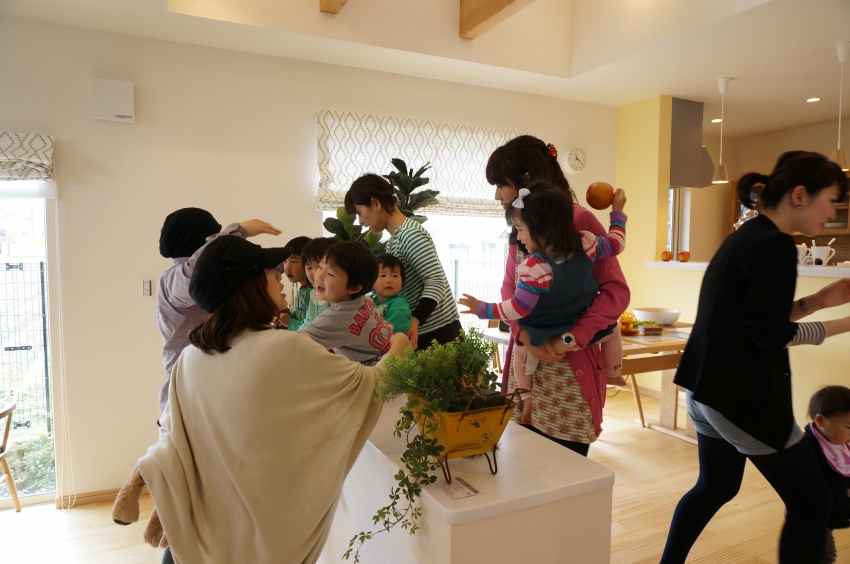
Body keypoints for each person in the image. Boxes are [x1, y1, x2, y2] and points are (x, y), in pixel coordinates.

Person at [141, 235, 408, 564]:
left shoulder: (191, 358)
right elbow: (370, 386)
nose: (281, 276)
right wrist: (398, 343)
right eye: (270, 271)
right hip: (254, 537)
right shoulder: (285, 349)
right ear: (249, 284)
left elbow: (175, 441)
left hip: (199, 532)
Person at [661, 151, 850, 563]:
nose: (831, 212)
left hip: (704, 390)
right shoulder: (775, 245)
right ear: (799, 195)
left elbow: (756, 321)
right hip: (740, 399)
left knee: (716, 486)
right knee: (813, 502)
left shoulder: (749, 236)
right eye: (830, 199)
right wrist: (845, 324)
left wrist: (819, 301)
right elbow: (770, 335)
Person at [485, 135, 630, 455]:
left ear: (526, 179)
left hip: (569, 377)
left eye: (500, 184)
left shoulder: (578, 220)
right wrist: (526, 336)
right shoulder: (521, 223)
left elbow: (615, 292)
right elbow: (510, 287)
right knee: (519, 467)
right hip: (526, 370)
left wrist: (570, 338)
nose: (496, 195)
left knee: (566, 471)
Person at [459, 181, 628, 422]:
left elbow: (518, 307)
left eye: (521, 229)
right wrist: (617, 210)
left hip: (543, 330)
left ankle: (526, 397)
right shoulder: (587, 243)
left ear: (543, 229)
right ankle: (613, 372)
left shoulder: (534, 268)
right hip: (574, 327)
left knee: (520, 354)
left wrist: (483, 309)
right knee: (612, 331)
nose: (518, 237)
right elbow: (617, 243)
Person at [156, 208, 282, 412]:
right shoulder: (173, 280)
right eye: (211, 239)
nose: (213, 243)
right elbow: (196, 273)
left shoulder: (200, 277)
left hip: (206, 389)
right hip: (187, 398)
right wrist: (238, 231)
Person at [344, 173, 460, 349]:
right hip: (423, 332)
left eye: (360, 213)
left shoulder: (410, 234)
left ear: (375, 204)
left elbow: (436, 281)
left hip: (438, 333)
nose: (360, 222)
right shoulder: (393, 240)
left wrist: (415, 321)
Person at [298, 240, 395, 365]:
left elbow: (294, 343)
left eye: (330, 273)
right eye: (321, 267)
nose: (317, 275)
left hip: (375, 371)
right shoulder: (364, 300)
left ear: (354, 287)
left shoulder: (335, 318)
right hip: (393, 357)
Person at [804, 385, 850, 563]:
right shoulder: (807, 447)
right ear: (821, 421)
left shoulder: (838, 442)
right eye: (848, 427)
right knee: (824, 554)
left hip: (835, 506)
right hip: (814, 514)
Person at [297, 237, 336, 328]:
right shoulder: (313, 293)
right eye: (309, 268)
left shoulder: (335, 296)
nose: (315, 273)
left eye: (320, 267)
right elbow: (308, 321)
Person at [372, 253, 413, 334]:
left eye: (394, 276)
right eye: (382, 275)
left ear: (402, 282)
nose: (389, 280)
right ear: (371, 281)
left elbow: (387, 335)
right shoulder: (370, 301)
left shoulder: (399, 306)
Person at [281, 236, 312, 330]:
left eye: (293, 261)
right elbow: (302, 312)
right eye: (285, 261)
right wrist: (290, 315)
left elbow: (310, 326)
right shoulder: (304, 289)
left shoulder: (313, 292)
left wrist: (289, 322)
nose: (287, 267)